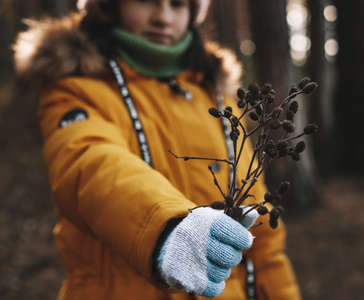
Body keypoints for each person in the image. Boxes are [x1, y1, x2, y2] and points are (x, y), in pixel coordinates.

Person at [14, 0, 302, 299]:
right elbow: (89, 163)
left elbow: (263, 240)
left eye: (177, 5)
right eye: (147, 1)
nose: (163, 18)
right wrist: (166, 228)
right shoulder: (76, 87)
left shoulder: (218, 99)